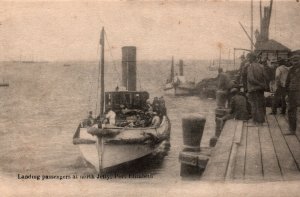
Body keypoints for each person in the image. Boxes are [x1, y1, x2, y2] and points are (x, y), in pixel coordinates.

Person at [246, 52, 270, 124]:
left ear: (251, 58)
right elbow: (267, 77)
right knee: (260, 104)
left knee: (254, 105)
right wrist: (263, 85)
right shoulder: (261, 66)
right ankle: (261, 120)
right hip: (261, 89)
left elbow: (251, 79)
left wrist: (259, 83)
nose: (247, 59)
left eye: (248, 58)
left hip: (253, 89)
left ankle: (255, 121)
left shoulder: (250, 67)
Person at [285, 54, 300, 135]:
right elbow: (287, 82)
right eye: (294, 61)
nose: (295, 62)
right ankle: (292, 130)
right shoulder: (291, 70)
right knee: (291, 111)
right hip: (292, 93)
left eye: (297, 60)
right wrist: (287, 93)